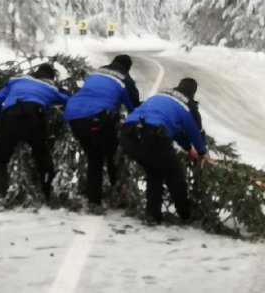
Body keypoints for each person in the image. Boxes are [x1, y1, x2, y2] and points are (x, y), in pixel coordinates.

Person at [120, 78, 210, 224]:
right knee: (174, 176)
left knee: (154, 171)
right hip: (153, 137)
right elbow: (194, 131)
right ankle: (186, 214)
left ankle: (152, 214)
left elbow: (176, 131)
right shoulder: (188, 105)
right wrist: (201, 152)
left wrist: (187, 148)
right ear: (193, 93)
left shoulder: (160, 95)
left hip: (128, 135)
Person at [0, 63, 70, 208]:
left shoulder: (16, 80)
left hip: (10, 117)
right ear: (51, 77)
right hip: (34, 118)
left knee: (0, 158)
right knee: (42, 157)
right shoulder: (50, 87)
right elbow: (69, 100)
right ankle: (48, 194)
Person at [63, 55, 139, 205]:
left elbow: (93, 96)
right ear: (127, 68)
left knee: (94, 157)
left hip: (74, 117)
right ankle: (117, 195)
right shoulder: (125, 80)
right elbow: (134, 109)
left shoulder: (95, 73)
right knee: (113, 156)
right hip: (96, 119)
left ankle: (94, 199)